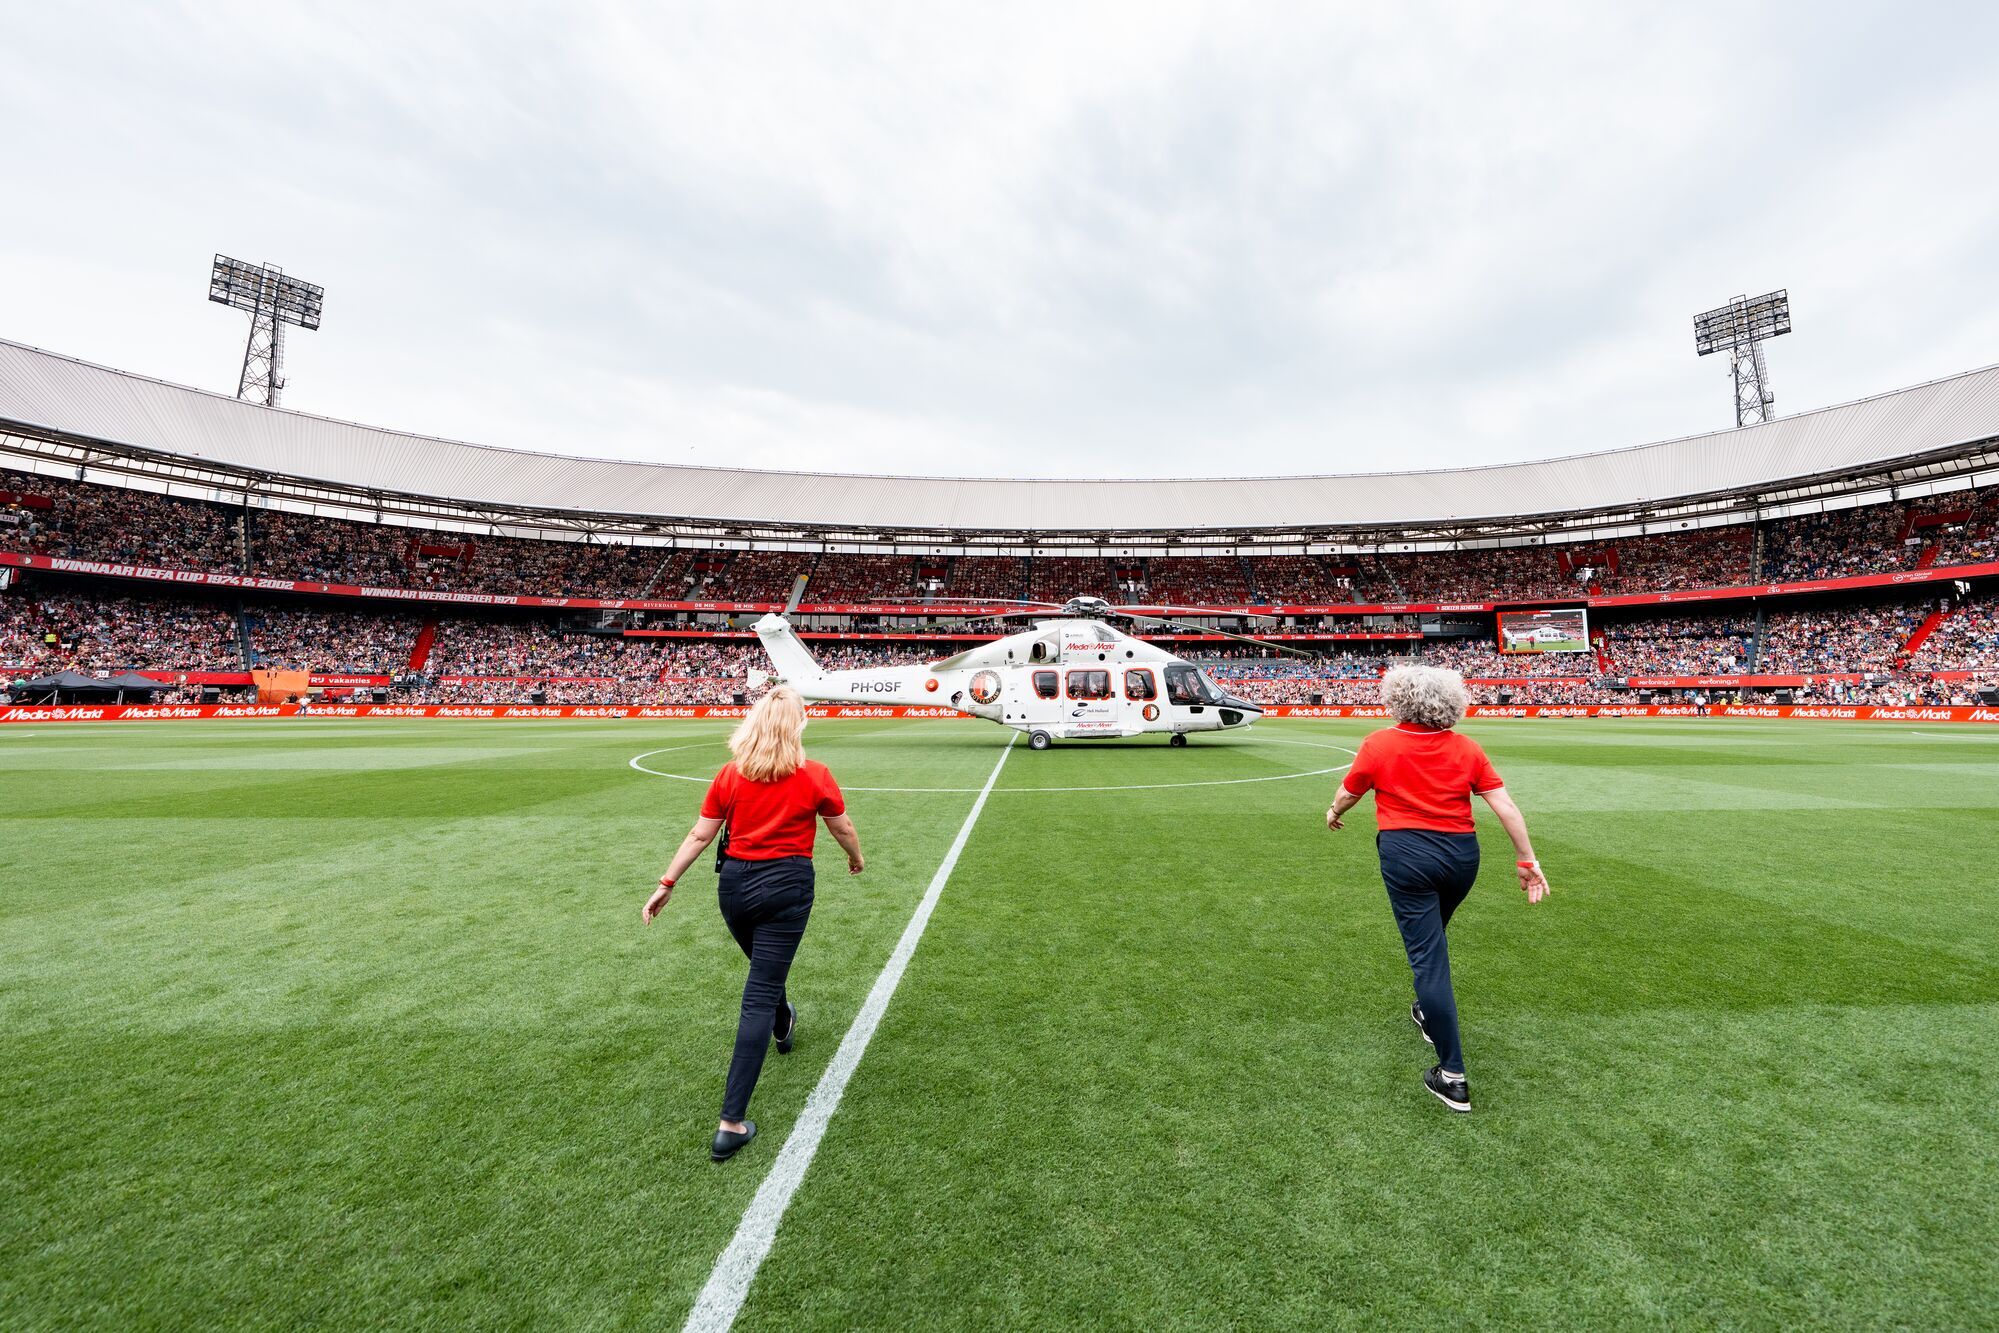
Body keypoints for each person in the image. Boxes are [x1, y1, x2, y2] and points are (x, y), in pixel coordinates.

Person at [642, 686, 865, 1160]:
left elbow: (701, 833)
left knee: (765, 976)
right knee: (759, 992)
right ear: (797, 726)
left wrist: (667, 882)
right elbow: (841, 826)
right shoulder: (814, 774)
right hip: (787, 884)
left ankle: (784, 1019)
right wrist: (855, 857)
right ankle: (731, 1122)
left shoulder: (731, 774)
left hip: (736, 889)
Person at [1325, 664, 1549, 1112]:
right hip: (1462, 858)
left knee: (1428, 960)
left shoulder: (1379, 743)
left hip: (1407, 855)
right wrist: (1527, 859)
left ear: (1398, 699)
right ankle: (1428, 1012)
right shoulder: (1466, 747)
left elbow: (1351, 791)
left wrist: (1333, 810)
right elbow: (1503, 804)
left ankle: (1452, 1075)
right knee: (1434, 942)